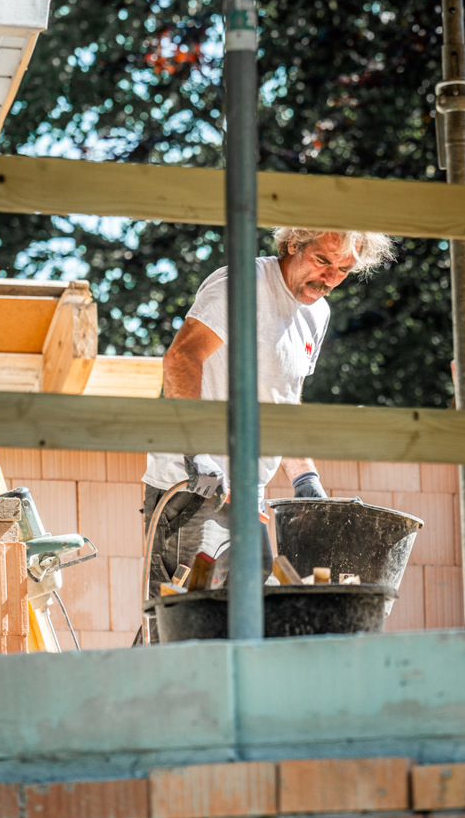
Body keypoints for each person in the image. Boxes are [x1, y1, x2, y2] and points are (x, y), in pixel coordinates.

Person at [140, 227, 393, 629]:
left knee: (240, 623)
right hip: (193, 487)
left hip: (248, 496)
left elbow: (282, 403)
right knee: (180, 623)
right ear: (293, 244)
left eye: (343, 269)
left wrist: (305, 477)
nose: (329, 279)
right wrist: (196, 450)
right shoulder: (242, 286)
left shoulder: (317, 313)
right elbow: (180, 358)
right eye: (322, 261)